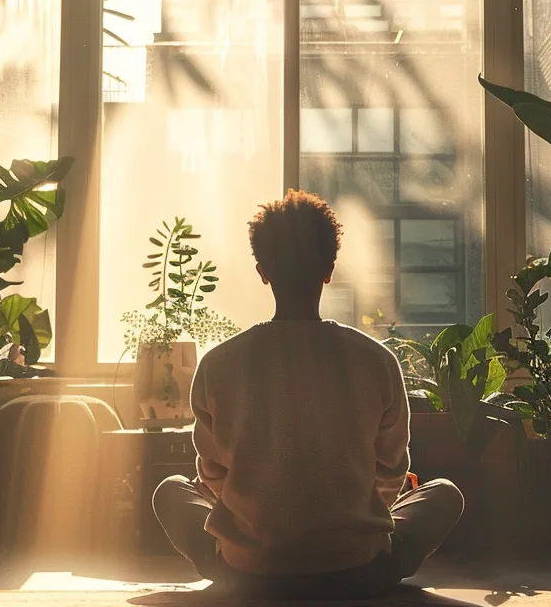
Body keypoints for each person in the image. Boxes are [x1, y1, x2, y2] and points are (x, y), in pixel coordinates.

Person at [151, 190, 464, 599]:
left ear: (263, 271)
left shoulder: (220, 363)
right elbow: (389, 473)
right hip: (357, 568)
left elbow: (212, 475)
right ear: (328, 270)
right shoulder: (375, 360)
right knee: (444, 494)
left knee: (171, 490)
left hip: (249, 571)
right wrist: (359, 505)